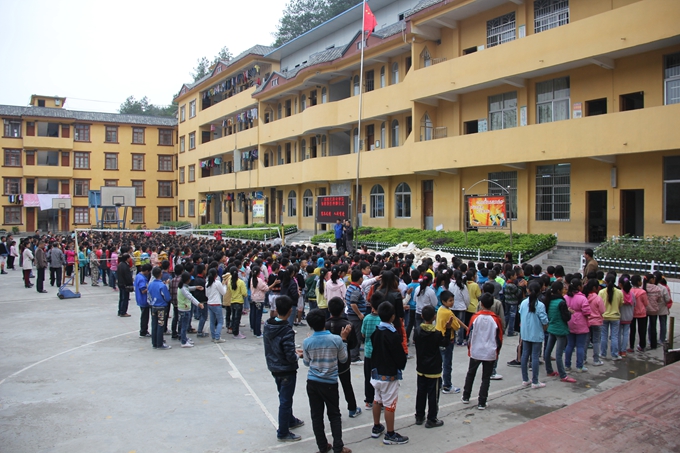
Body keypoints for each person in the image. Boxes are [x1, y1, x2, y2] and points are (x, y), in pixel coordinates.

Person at [304, 309, 352, 453]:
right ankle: (338, 446)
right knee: (334, 415)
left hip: (313, 382)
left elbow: (306, 362)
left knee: (316, 416)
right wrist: (344, 340)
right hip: (330, 382)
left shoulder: (307, 341)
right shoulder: (336, 339)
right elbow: (343, 359)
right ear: (324, 321)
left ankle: (322, 446)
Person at [263, 296, 305, 443]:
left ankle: (290, 420)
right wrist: (298, 355)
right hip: (286, 369)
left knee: (283, 395)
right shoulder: (286, 330)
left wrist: (293, 351)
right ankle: (283, 431)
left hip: (274, 366)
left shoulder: (268, 325)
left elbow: (279, 347)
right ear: (290, 311)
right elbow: (290, 356)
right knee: (285, 400)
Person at [369, 301, 408, 445]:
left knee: (377, 399)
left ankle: (376, 426)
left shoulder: (376, 331)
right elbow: (399, 355)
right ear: (392, 316)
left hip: (376, 372)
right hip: (389, 374)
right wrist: (401, 364)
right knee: (389, 404)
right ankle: (390, 434)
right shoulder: (392, 334)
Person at [461, 293, 503, 409]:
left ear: (481, 304)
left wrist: (470, 348)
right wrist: (497, 351)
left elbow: (469, 334)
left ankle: (466, 396)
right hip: (490, 351)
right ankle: (482, 402)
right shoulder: (496, 319)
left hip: (476, 350)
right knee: (486, 377)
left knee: (471, 373)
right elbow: (499, 337)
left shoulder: (475, 318)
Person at [414, 305, 453, 427]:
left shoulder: (417, 331)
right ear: (434, 317)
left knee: (421, 392)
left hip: (421, 367)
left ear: (422, 316)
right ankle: (431, 418)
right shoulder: (436, 334)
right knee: (433, 394)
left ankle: (419, 415)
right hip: (434, 368)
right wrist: (448, 329)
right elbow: (445, 343)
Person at [326, 297, 361, 418]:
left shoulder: (325, 325)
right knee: (346, 384)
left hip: (328, 360)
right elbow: (354, 344)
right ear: (342, 310)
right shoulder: (348, 325)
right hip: (344, 361)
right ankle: (352, 408)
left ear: (329, 309)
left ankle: (333, 411)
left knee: (331, 387)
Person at [543, 281, 577, 383]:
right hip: (560, 329)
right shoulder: (561, 302)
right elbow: (566, 317)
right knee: (558, 354)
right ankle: (563, 375)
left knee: (548, 350)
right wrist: (569, 312)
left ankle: (549, 370)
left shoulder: (549, 300)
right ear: (559, 290)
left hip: (552, 327)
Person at [519, 283, 549, 389]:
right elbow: (544, 320)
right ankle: (535, 381)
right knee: (535, 356)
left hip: (525, 332)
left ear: (528, 290)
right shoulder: (540, 305)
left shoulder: (523, 303)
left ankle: (525, 379)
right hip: (536, 333)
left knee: (525, 355)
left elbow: (521, 315)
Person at [437, 290, 466, 394]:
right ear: (443, 301)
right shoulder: (448, 313)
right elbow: (456, 326)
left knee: (440, 363)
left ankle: (440, 383)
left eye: (453, 300)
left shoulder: (440, 309)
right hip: (448, 339)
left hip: (439, 339)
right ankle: (447, 386)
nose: (452, 302)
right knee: (447, 363)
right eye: (450, 301)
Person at [563, 278, 591, 373]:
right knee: (580, 346)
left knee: (570, 344)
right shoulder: (582, 298)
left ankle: (567, 365)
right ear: (579, 287)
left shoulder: (566, 297)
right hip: (581, 323)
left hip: (569, 322)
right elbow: (587, 312)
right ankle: (579, 366)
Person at [361, 293, 383, 410]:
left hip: (368, 352)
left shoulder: (366, 318)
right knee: (380, 377)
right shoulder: (382, 320)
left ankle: (369, 400)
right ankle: (380, 400)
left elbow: (363, 334)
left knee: (368, 377)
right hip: (380, 353)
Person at [344, 269, 367, 364]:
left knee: (353, 335)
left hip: (351, 314)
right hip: (355, 316)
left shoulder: (350, 287)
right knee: (357, 336)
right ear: (360, 278)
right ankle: (354, 357)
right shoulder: (356, 290)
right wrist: (359, 314)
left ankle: (352, 354)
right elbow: (353, 303)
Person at [176, 272, 203, 348]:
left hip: (181, 308)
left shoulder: (182, 286)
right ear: (187, 280)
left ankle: (183, 338)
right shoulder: (184, 289)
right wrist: (198, 304)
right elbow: (190, 297)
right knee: (184, 326)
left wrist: (195, 287)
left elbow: (188, 288)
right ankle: (183, 342)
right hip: (185, 309)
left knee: (182, 325)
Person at [599, 274, 622, 359]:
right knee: (614, 336)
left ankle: (603, 353)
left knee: (603, 335)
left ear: (605, 281)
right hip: (615, 316)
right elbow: (621, 304)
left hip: (604, 316)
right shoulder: (619, 292)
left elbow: (599, 304)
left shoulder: (601, 292)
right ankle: (614, 354)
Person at [148, 267, 172, 349]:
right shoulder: (162, 285)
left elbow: (149, 296)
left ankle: (154, 342)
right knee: (160, 325)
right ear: (160, 274)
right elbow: (167, 297)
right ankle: (160, 343)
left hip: (153, 306)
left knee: (154, 324)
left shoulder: (150, 284)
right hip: (161, 307)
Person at [584, 279, 605, 366]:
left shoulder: (585, 297)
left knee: (586, 341)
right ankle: (596, 360)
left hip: (587, 321)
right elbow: (602, 310)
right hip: (597, 322)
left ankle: (583, 359)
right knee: (596, 341)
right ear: (595, 288)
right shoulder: (598, 298)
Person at [206, 268, 227, 343]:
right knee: (220, 321)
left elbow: (206, 294)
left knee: (212, 321)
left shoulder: (207, 283)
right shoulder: (217, 283)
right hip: (217, 303)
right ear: (216, 275)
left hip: (210, 303)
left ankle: (213, 336)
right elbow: (223, 292)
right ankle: (217, 337)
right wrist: (224, 285)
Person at [630, 274, 649, 352]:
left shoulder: (630, 291)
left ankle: (631, 346)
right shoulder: (643, 292)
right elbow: (646, 303)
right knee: (642, 330)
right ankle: (642, 345)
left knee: (632, 330)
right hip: (642, 313)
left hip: (632, 313)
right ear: (638, 282)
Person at [250, 265, 269, 338]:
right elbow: (266, 288)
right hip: (259, 299)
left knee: (254, 315)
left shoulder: (252, 279)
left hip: (254, 298)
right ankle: (258, 332)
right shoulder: (259, 280)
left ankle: (255, 330)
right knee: (258, 316)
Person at [135, 264, 152, 338]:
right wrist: (150, 287)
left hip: (140, 299)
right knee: (145, 316)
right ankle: (143, 331)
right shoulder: (142, 279)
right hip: (143, 300)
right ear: (146, 271)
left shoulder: (138, 276)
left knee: (144, 315)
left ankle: (144, 330)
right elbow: (143, 290)